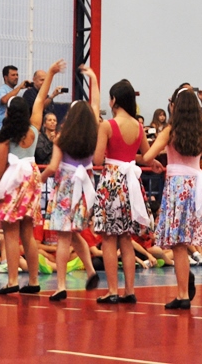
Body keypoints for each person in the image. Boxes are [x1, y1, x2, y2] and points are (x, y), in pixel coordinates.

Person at [0, 59, 65, 295]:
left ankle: (12, 281)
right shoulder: (34, 128)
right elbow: (40, 99)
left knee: (10, 231)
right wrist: (50, 73)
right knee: (28, 233)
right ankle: (34, 281)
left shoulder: (6, 135)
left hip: (13, 180)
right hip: (32, 177)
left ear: (8, 112)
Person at [144, 85, 202, 309]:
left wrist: (153, 159)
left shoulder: (171, 131)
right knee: (185, 240)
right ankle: (183, 290)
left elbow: (148, 155)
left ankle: (182, 295)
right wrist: (201, 121)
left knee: (178, 244)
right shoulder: (201, 129)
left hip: (176, 185)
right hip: (194, 186)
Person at [40, 66, 102, 301]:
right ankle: (91, 271)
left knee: (64, 238)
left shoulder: (61, 138)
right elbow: (95, 106)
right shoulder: (94, 132)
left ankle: (61, 285)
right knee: (76, 234)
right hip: (85, 188)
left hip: (66, 189)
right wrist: (94, 80)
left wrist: (39, 178)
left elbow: (53, 167)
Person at [91, 79, 154, 304]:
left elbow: (98, 159)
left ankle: (111, 290)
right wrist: (152, 162)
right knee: (126, 238)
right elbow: (145, 156)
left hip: (112, 180)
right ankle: (129, 290)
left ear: (114, 100)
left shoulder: (107, 125)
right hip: (131, 182)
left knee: (109, 238)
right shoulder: (138, 126)